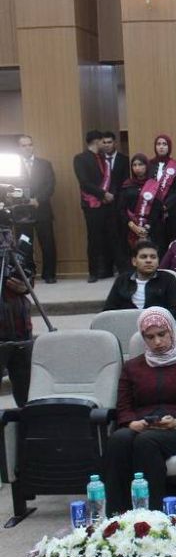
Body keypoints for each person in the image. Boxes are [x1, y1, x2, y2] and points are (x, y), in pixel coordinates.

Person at [104, 308, 176, 514]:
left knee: (147, 441)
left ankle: (152, 514)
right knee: (119, 439)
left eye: (162, 334)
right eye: (150, 337)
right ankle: (117, 514)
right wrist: (131, 423)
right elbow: (123, 405)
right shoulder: (133, 366)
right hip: (143, 426)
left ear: (172, 331)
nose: (157, 342)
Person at [74, 130, 116, 282]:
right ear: (97, 141)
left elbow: (110, 180)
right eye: (102, 141)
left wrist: (109, 195)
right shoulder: (80, 158)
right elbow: (84, 182)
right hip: (91, 204)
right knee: (94, 238)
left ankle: (107, 269)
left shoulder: (104, 159)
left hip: (107, 204)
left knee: (108, 236)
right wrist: (103, 194)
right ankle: (93, 271)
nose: (105, 144)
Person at [0, 226, 36, 406]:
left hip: (20, 327)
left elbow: (28, 270)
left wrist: (26, 284)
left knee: (26, 397)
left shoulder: (11, 240)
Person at [16, 135, 56, 283]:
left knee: (47, 243)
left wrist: (38, 199)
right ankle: (28, 274)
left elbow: (50, 185)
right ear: (19, 148)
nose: (27, 148)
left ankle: (49, 274)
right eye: (24, 145)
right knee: (24, 243)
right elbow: (9, 187)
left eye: (30, 144)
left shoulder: (44, 164)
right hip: (22, 212)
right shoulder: (14, 166)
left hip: (42, 209)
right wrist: (25, 201)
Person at [103, 240, 176, 317]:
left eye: (153, 257)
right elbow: (108, 310)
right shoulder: (122, 280)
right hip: (125, 322)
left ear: (158, 261)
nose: (149, 260)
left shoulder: (168, 279)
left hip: (158, 323)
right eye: (143, 257)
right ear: (134, 261)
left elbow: (175, 310)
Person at [119, 153, 165, 254]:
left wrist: (147, 227)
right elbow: (121, 209)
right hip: (130, 228)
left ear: (146, 166)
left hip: (152, 229)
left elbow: (157, 209)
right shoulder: (127, 185)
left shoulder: (154, 185)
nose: (137, 168)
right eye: (134, 165)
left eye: (140, 164)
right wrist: (133, 226)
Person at [150, 134, 176, 246]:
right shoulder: (149, 165)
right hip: (154, 211)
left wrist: (166, 205)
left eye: (164, 144)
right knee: (157, 242)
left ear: (169, 147)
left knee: (174, 242)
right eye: (158, 144)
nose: (161, 147)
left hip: (173, 210)